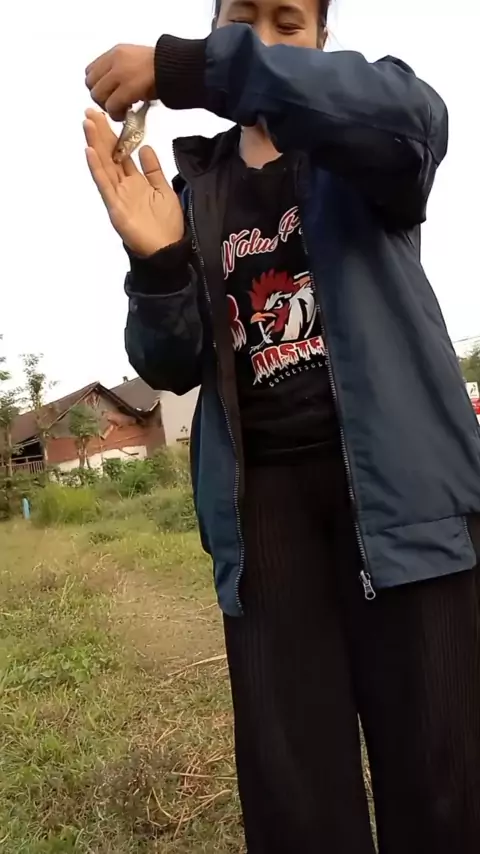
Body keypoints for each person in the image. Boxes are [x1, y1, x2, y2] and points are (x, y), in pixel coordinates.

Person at [83, 1, 480, 851]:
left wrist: (195, 67)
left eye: (287, 21)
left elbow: (417, 122)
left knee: (445, 788)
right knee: (297, 806)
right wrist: (158, 264)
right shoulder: (196, 190)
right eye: (240, 17)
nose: (259, 38)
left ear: (323, 42)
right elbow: (172, 363)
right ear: (215, 20)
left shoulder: (366, 139)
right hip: (265, 520)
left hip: (405, 506)